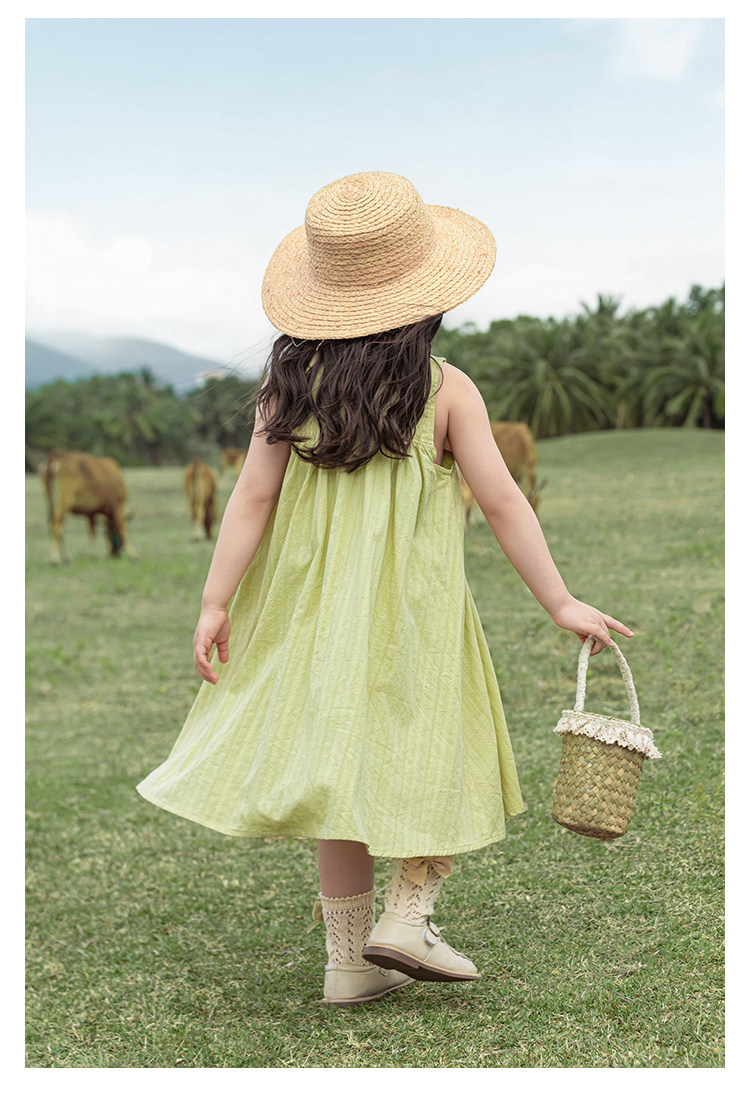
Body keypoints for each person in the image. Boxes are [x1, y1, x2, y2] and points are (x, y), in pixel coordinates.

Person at [136, 171, 633, 1007]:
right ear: (425, 295)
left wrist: (215, 602)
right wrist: (559, 601)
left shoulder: (289, 390)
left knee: (341, 773)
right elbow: (504, 501)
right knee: (441, 748)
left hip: (313, 614)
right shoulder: (445, 389)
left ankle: (348, 964)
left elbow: (251, 498)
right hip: (417, 612)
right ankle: (408, 915)